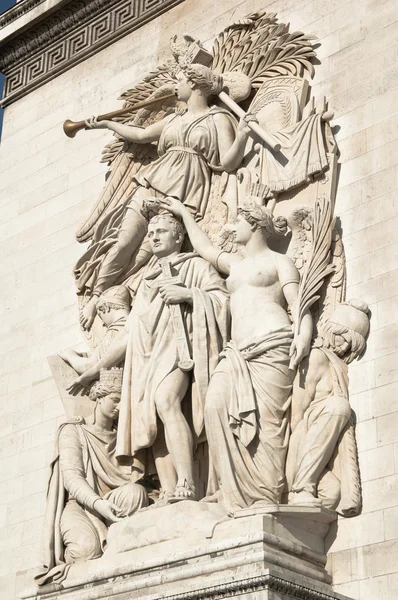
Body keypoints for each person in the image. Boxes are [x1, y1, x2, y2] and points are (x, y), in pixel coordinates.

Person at [158, 196, 312, 514]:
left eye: (238, 222)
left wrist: (304, 333)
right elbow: (205, 248)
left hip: (273, 344)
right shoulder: (236, 265)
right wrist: (184, 212)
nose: (232, 228)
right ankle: (229, 489)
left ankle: (265, 491)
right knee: (215, 405)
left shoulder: (279, 262)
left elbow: (298, 303)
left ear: (254, 224)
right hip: (237, 352)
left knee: (268, 424)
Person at [69, 213, 229, 503]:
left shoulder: (195, 266)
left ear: (179, 237)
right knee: (150, 420)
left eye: (162, 232)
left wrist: (188, 294)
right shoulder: (146, 282)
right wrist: (95, 370)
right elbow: (129, 333)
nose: (154, 237)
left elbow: (222, 300)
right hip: (146, 358)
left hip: (181, 354)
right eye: (151, 232)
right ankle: (169, 490)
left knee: (165, 400)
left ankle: (188, 482)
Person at [79, 64, 251, 331]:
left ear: (195, 85)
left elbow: (229, 163)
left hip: (182, 194)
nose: (175, 86)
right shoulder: (172, 119)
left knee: (145, 256)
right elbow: (140, 135)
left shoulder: (217, 118)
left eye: (180, 80)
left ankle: (123, 299)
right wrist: (104, 124)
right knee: (123, 243)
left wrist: (242, 135)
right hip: (150, 183)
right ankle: (97, 295)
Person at [36, 368, 148, 586]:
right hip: (80, 506)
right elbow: (72, 477)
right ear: (99, 396)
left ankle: (118, 543)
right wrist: (98, 504)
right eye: (115, 400)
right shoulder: (73, 430)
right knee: (86, 549)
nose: (119, 407)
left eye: (123, 402)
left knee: (136, 493)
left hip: (113, 501)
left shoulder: (123, 437)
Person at [286, 299, 369, 513]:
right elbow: (298, 412)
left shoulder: (337, 363)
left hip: (318, 444)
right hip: (303, 437)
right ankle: (300, 487)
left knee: (332, 495)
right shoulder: (317, 356)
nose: (344, 347)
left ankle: (301, 491)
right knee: (339, 406)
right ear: (333, 329)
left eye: (350, 345)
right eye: (344, 338)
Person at [59, 286, 130, 376]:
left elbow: (88, 367)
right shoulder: (136, 323)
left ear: (105, 307)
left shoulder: (115, 331)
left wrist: (70, 355)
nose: (103, 324)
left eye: (100, 316)